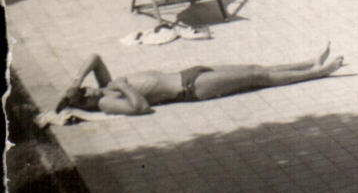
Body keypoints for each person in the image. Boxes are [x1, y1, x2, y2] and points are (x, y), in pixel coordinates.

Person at [53, 47, 343, 118]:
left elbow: (94, 56)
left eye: (83, 87)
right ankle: (319, 72)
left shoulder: (104, 86)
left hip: (190, 72)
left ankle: (308, 62)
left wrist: (74, 81)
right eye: (83, 93)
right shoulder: (106, 102)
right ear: (87, 102)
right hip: (191, 89)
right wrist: (124, 86)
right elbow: (140, 108)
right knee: (258, 78)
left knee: (256, 68)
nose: (88, 88)